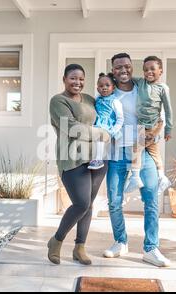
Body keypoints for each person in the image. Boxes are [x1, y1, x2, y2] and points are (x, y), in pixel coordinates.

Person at [103, 53, 171, 267]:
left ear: (132, 68)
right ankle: (120, 242)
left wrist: (159, 131)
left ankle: (151, 248)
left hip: (142, 152)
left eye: (126, 66)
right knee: (114, 201)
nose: (122, 70)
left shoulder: (144, 88)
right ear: (113, 70)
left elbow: (159, 114)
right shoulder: (108, 93)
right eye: (117, 67)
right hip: (116, 153)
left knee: (151, 200)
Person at [47, 64, 110, 265]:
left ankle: (79, 247)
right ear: (64, 79)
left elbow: (106, 117)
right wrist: (101, 133)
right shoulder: (58, 101)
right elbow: (72, 128)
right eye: (73, 78)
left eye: (81, 79)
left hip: (97, 158)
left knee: (88, 205)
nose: (77, 82)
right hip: (72, 159)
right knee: (81, 203)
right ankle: (56, 241)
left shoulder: (91, 100)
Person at [124, 55, 173, 193]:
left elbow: (169, 110)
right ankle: (162, 178)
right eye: (145, 69)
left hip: (152, 125)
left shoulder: (163, 88)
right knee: (154, 152)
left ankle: (135, 178)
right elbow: (126, 78)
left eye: (152, 69)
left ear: (161, 71)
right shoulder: (140, 82)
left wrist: (169, 129)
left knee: (136, 148)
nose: (148, 72)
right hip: (141, 125)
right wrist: (113, 76)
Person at [88, 72, 124, 170]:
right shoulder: (97, 98)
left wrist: (113, 130)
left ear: (113, 88)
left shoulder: (115, 101)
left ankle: (99, 160)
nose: (104, 87)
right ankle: (94, 157)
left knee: (100, 138)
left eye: (107, 85)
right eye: (101, 86)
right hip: (97, 123)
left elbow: (120, 119)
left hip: (107, 126)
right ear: (97, 88)